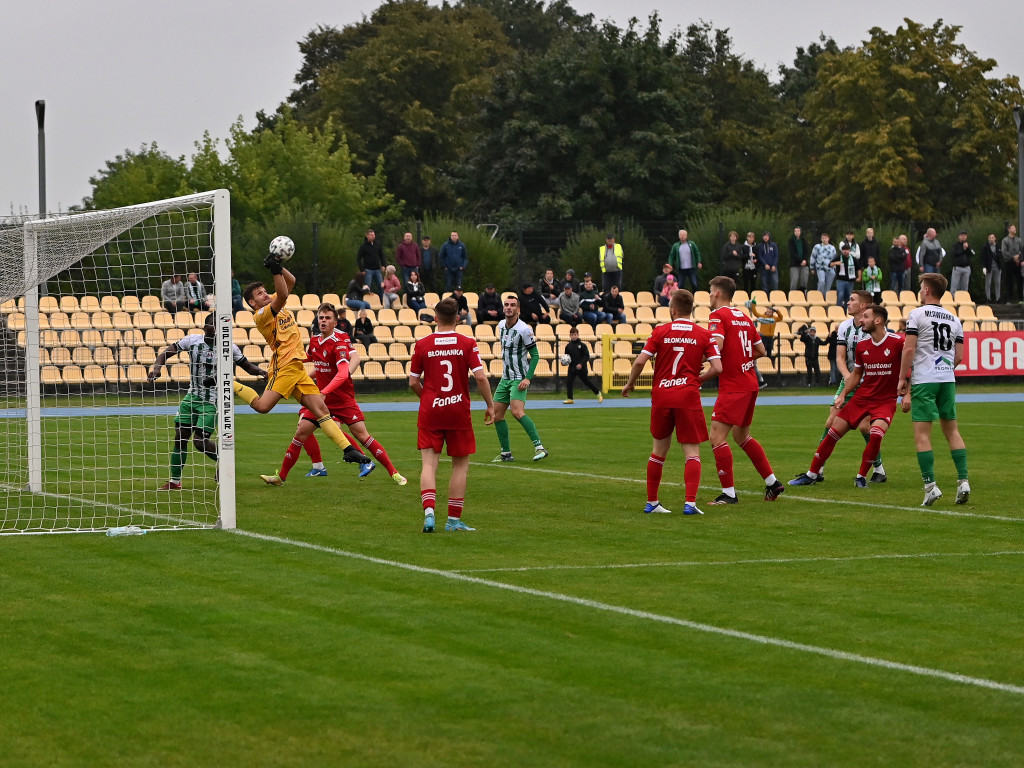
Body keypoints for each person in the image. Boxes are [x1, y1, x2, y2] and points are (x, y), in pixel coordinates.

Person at [234, 253, 371, 468]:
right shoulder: (262, 314)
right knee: (262, 406)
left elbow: (291, 283)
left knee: (321, 410)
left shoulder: (274, 303)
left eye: (264, 291)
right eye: (260, 294)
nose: (264, 295)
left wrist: (279, 267)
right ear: (252, 302)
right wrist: (275, 271)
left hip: (296, 368)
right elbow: (282, 293)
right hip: (284, 367)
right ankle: (228, 382)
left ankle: (349, 450)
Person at [260, 303, 406, 487]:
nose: (323, 321)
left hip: (341, 399)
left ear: (335, 322)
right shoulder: (314, 341)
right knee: (300, 432)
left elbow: (343, 372)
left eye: (328, 318)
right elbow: (315, 364)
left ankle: (394, 473)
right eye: (321, 317)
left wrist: (324, 392)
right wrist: (285, 361)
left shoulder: (340, 341)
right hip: (321, 400)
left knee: (363, 436)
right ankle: (281, 477)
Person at [621, 289, 722, 515]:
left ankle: (652, 502)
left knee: (658, 451)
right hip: (687, 395)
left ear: (673, 310)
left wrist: (630, 383)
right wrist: (697, 380)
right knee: (692, 452)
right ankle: (690, 504)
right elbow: (718, 367)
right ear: (691, 309)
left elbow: (639, 362)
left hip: (662, 395)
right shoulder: (703, 334)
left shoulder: (660, 331)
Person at [791, 305, 904, 489]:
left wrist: (907, 392)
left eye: (865, 317)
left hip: (885, 401)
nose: (861, 320)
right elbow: (857, 375)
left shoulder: (898, 341)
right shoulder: (862, 346)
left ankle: (861, 477)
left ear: (878, 320)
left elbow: (912, 364)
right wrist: (843, 394)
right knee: (833, 430)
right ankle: (812, 474)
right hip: (862, 398)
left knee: (875, 435)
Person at [149, 315, 266, 490]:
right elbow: (166, 353)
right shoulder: (192, 341)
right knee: (180, 438)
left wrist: (263, 372)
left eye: (220, 327)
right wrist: (157, 368)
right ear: (205, 327)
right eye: (213, 325)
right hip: (191, 396)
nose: (216, 330)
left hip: (212, 401)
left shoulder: (228, 347)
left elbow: (248, 367)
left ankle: (225, 461)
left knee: (199, 442)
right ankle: (175, 481)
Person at [409, 298, 495, 533]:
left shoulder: (423, 344)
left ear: (435, 318)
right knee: (460, 466)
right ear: (458, 318)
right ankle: (453, 520)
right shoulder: (467, 343)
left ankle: (429, 513)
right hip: (458, 411)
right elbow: (480, 377)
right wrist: (490, 405)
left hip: (431, 411)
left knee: (429, 464)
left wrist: (427, 398)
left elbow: (413, 381)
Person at [706, 277, 786, 504]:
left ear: (719, 293)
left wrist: (696, 360)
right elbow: (761, 350)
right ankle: (773, 483)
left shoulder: (717, 316)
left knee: (716, 437)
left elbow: (716, 347)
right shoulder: (743, 316)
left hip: (733, 386)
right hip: (750, 383)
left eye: (711, 291)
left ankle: (729, 494)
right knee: (742, 436)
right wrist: (740, 359)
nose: (709, 295)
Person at [898, 273, 969, 506]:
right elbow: (958, 356)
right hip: (947, 380)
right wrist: (945, 369)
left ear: (927, 290)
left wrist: (902, 379)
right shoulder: (954, 319)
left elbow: (909, 350)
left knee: (922, 435)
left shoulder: (916, 314)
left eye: (921, 287)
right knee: (952, 431)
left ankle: (930, 486)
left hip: (924, 380)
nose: (920, 291)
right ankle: (963, 481)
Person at [801, 290, 886, 484]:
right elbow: (839, 357)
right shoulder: (845, 327)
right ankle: (818, 469)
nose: (847, 303)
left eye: (852, 300)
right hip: (848, 381)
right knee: (831, 421)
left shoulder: (876, 328)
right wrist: (849, 377)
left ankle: (879, 468)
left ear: (863, 305)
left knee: (866, 427)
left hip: (869, 386)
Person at [492, 294, 548, 463]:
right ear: (503, 308)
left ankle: (540, 447)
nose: (509, 307)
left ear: (518, 309)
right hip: (505, 378)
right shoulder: (501, 325)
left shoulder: (525, 329)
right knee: (497, 416)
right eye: (506, 305)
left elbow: (535, 356)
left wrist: (527, 378)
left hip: (519, 378)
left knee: (517, 412)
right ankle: (506, 453)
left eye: (512, 305)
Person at [561, 326, 603, 405]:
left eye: (575, 334)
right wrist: (563, 363)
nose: (574, 336)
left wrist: (581, 364)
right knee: (569, 381)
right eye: (572, 335)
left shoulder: (582, 345)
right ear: (570, 336)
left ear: (578, 335)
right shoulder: (568, 346)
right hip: (572, 367)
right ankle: (570, 398)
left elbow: (586, 356)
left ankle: (598, 393)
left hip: (581, 368)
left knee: (586, 381)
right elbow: (566, 357)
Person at [746, 298, 781, 387]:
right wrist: (753, 306)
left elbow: (781, 318)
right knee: (762, 350)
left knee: (768, 351)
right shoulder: (763, 317)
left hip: (770, 337)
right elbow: (756, 313)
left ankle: (767, 356)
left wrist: (778, 311)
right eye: (768, 310)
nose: (768, 312)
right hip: (764, 336)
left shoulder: (773, 319)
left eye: (770, 311)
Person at [356, 228, 387, 300]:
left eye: (374, 234)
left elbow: (382, 255)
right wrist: (362, 269)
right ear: (367, 236)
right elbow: (358, 258)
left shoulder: (378, 244)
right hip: (368, 269)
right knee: (367, 287)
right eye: (371, 235)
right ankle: (368, 302)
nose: (373, 236)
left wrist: (383, 265)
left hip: (377, 269)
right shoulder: (363, 246)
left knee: (381, 286)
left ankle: (382, 301)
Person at [1000, 224, 1022, 302]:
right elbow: (1004, 252)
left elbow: (1021, 250)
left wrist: (1018, 257)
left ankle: (1020, 298)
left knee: (1019, 280)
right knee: (1009, 281)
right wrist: (1013, 257)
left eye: (1015, 228)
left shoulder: (1018, 240)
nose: (1015, 229)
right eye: (1013, 228)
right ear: (1009, 229)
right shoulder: (1005, 240)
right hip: (1008, 263)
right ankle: (1009, 299)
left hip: (1017, 263)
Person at [833, 242, 858, 307]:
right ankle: (838, 309)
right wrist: (836, 263)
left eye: (846, 250)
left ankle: (846, 311)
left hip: (850, 280)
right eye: (844, 250)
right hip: (841, 280)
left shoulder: (853, 259)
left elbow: (858, 268)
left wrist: (859, 277)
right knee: (840, 295)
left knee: (848, 297)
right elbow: (830, 264)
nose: (845, 251)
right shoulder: (838, 257)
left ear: (849, 250)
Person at [950, 230, 974, 295]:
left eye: (965, 236)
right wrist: (963, 249)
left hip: (966, 268)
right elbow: (954, 254)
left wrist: (967, 248)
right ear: (959, 236)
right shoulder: (955, 245)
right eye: (962, 235)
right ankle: (953, 298)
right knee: (955, 285)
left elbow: (973, 253)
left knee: (965, 286)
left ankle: (963, 299)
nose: (963, 237)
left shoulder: (968, 245)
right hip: (957, 267)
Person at [788, 226, 809, 293]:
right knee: (794, 280)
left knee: (804, 280)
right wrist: (800, 260)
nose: (797, 232)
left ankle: (804, 294)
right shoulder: (791, 241)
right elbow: (793, 253)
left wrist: (805, 260)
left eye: (798, 231)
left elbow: (807, 251)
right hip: (795, 263)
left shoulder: (804, 241)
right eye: (795, 231)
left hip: (804, 264)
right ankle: (792, 295)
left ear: (800, 232)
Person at [981, 233, 1002, 303]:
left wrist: (1001, 265)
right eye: (990, 237)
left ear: (995, 238)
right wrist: (984, 267)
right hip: (989, 267)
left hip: (997, 267)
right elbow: (983, 258)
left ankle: (998, 298)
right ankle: (988, 298)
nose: (991, 239)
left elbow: (1001, 256)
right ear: (988, 239)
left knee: (998, 283)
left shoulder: (998, 246)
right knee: (988, 283)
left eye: (993, 237)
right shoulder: (985, 247)